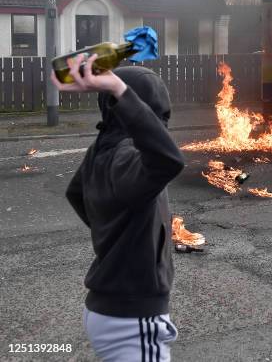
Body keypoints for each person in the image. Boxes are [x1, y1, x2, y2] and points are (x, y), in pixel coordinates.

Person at [52, 54, 185, 361]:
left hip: (108, 312)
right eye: (158, 114)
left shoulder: (103, 149)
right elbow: (169, 160)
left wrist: (118, 230)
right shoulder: (126, 155)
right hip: (132, 324)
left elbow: (76, 192)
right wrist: (121, 90)